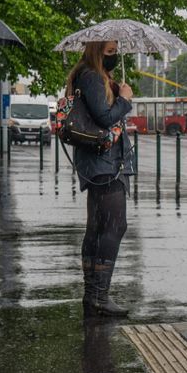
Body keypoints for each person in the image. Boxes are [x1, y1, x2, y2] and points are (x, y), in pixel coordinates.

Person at [67, 41, 134, 316]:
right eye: (109, 52)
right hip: (104, 164)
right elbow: (105, 118)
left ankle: (93, 294)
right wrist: (125, 101)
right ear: (96, 51)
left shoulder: (93, 77)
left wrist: (117, 91)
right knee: (114, 227)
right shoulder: (91, 77)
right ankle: (99, 295)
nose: (114, 56)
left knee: (97, 228)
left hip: (102, 162)